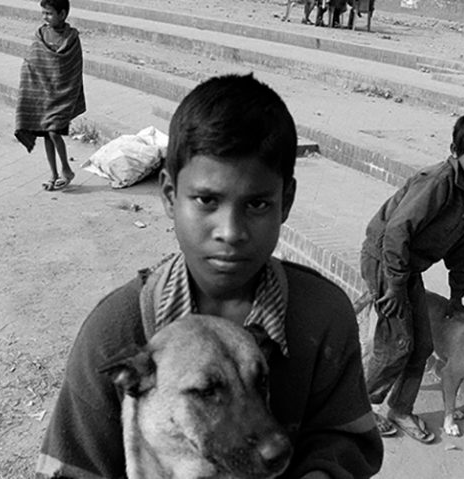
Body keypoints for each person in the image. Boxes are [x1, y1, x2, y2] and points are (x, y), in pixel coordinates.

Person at [35, 73, 383, 479]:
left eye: (256, 204)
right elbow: (72, 468)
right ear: (169, 196)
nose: (231, 231)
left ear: (285, 202)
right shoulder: (115, 330)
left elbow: (348, 441)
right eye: (206, 200)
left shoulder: (322, 315)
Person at [360, 110, 464, 444]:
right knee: (396, 345)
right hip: (385, 261)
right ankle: (357, 409)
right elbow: (396, 232)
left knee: (423, 345)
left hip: (406, 267)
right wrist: (395, 286)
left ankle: (399, 408)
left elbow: (462, 252)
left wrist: (458, 295)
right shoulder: (438, 183)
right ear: (455, 150)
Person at [14, 0, 84, 191]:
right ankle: (54, 174)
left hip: (61, 94)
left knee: (53, 131)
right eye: (43, 13)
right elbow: (34, 60)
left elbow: (74, 68)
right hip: (43, 94)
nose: (45, 17)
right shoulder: (41, 34)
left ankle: (67, 170)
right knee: (47, 134)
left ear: (62, 14)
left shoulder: (71, 38)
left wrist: (68, 90)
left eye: (49, 13)